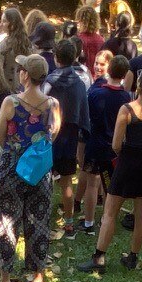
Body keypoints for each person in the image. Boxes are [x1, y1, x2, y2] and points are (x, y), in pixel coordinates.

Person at [90, 67, 142, 273]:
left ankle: (99, 257)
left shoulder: (127, 109)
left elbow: (116, 144)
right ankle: (133, 257)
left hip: (127, 164)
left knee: (110, 212)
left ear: (139, 83)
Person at [0, 55, 61, 282]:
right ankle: (38, 274)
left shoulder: (10, 102)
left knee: (7, 222)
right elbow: (54, 134)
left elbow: (0, 135)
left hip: (12, 166)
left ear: (25, 75)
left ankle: (5, 277)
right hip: (39, 169)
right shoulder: (53, 104)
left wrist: (14, 146)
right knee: (39, 220)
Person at [44, 39, 91, 237]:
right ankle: (69, 224)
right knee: (66, 182)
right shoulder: (79, 84)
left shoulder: (49, 82)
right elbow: (83, 116)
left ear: (56, 58)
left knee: (45, 181)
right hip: (69, 140)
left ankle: (43, 219)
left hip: (49, 138)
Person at [83, 55, 133, 235]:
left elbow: (88, 117)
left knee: (91, 183)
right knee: (108, 187)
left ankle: (88, 222)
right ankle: (106, 218)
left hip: (95, 144)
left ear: (109, 69)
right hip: (113, 147)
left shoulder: (96, 93)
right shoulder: (125, 97)